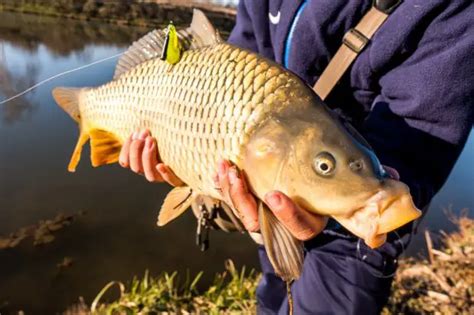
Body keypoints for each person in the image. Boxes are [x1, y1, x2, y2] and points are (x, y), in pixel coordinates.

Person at [118, 0, 474, 313]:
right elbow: (241, 59)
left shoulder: (452, 9)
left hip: (356, 231)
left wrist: (349, 201)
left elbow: (423, 133)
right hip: (272, 196)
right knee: (272, 297)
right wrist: (182, 156)